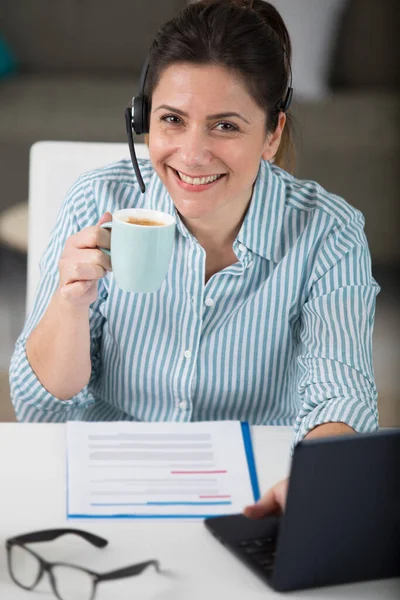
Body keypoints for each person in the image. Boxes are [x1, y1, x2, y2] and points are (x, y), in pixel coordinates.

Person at [9, 0, 379, 518]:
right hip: (109, 482)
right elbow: (41, 411)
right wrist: (70, 304)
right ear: (144, 119)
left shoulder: (328, 230)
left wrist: (319, 480)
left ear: (272, 134)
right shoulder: (97, 199)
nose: (191, 153)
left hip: (254, 490)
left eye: (225, 126)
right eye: (172, 120)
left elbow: (339, 393)